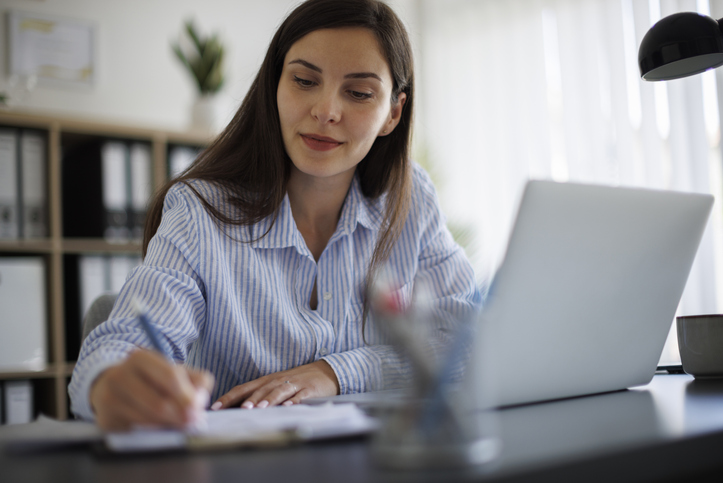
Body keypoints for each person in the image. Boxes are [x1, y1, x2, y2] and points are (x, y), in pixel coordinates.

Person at [69, 0, 479, 431]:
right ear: (274, 87)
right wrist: (109, 384)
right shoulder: (199, 210)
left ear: (392, 113)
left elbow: (468, 339)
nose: (326, 111)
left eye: (358, 93)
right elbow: (121, 344)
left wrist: (334, 373)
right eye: (304, 80)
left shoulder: (410, 198)